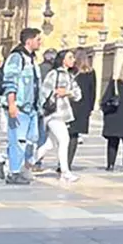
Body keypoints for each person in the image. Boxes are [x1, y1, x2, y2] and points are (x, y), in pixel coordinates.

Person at [0, 29, 42, 185]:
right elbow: (10, 82)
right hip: (20, 106)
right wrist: (12, 104)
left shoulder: (32, 59)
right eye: (38, 39)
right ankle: (14, 173)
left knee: (31, 140)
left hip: (32, 107)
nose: (40, 42)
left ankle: (1, 159)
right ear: (29, 41)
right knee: (18, 140)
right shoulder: (16, 58)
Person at [33, 52, 81, 184]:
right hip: (53, 114)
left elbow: (78, 94)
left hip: (63, 114)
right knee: (64, 140)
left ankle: (26, 165)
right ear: (62, 60)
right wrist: (53, 94)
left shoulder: (70, 76)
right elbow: (43, 93)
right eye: (70, 57)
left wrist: (67, 92)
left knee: (49, 144)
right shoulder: (54, 74)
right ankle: (65, 172)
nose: (73, 60)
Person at [67, 51, 97, 170]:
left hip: (70, 105)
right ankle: (68, 162)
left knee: (65, 134)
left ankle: (63, 161)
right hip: (83, 107)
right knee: (74, 136)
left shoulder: (70, 71)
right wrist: (90, 108)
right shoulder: (90, 73)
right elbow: (92, 91)